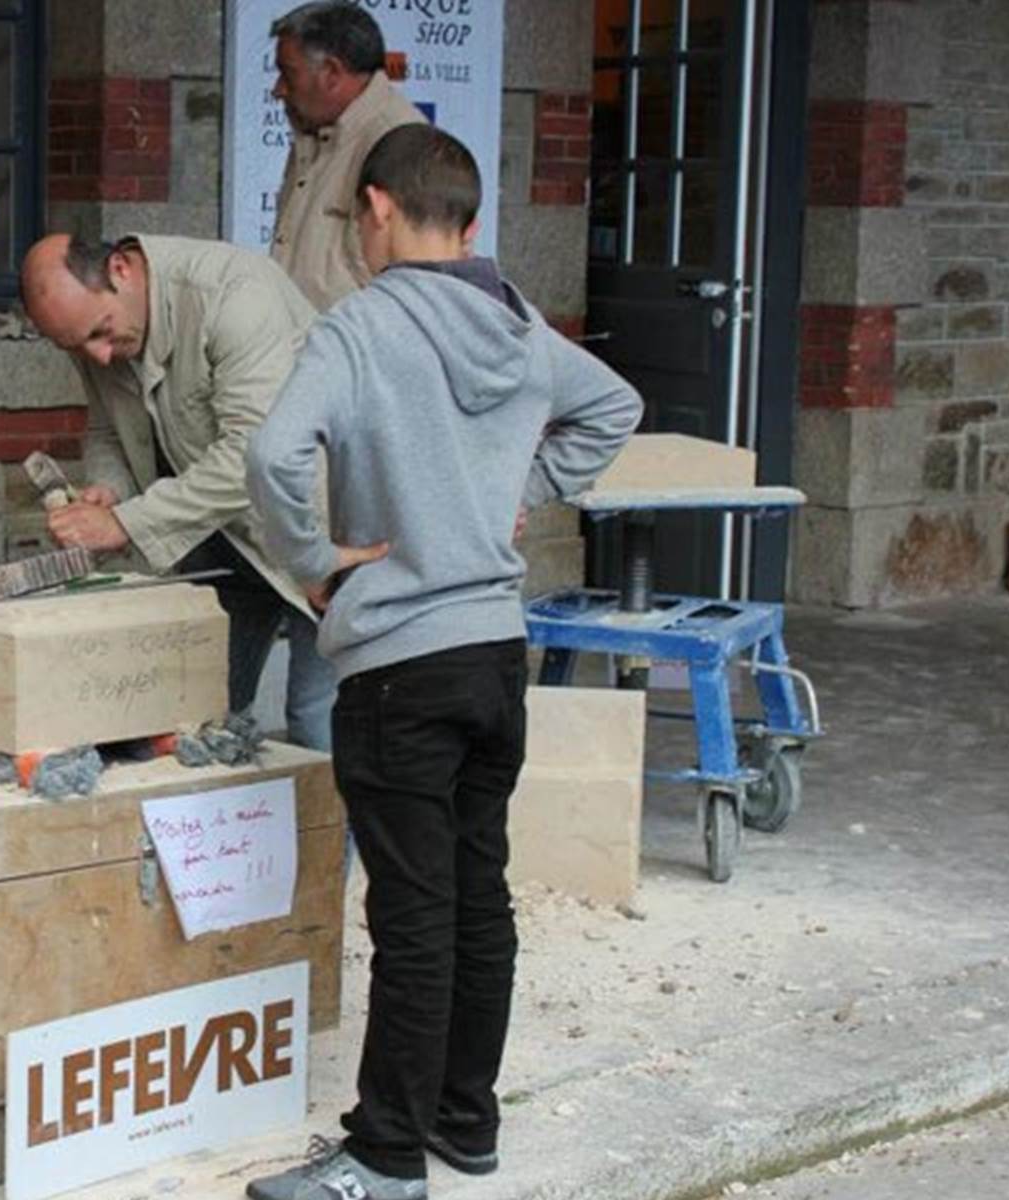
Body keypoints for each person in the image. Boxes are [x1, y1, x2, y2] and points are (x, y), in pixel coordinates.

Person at [243, 124, 641, 1199]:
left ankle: (383, 1157)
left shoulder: (359, 326)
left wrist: (313, 563)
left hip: (400, 664)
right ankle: (466, 1122)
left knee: (413, 913)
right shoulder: (516, 323)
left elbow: (272, 453)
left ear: (378, 208)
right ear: (466, 218)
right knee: (477, 894)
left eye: (355, 216)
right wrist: (523, 494)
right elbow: (615, 406)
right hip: (494, 655)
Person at [18, 232, 337, 751]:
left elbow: (252, 457)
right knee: (198, 720)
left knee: (317, 723)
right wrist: (109, 490)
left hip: (323, 529)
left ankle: (331, 808)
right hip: (221, 539)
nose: (98, 356)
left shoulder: (235, 295)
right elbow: (106, 428)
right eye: (75, 347)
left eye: (101, 333)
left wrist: (124, 523)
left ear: (120, 269)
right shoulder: (92, 327)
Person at [267, 1, 426, 311]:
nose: (278, 90)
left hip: (355, 342)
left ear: (331, 72)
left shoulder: (401, 145)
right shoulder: (315, 130)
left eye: (288, 74)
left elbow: (409, 297)